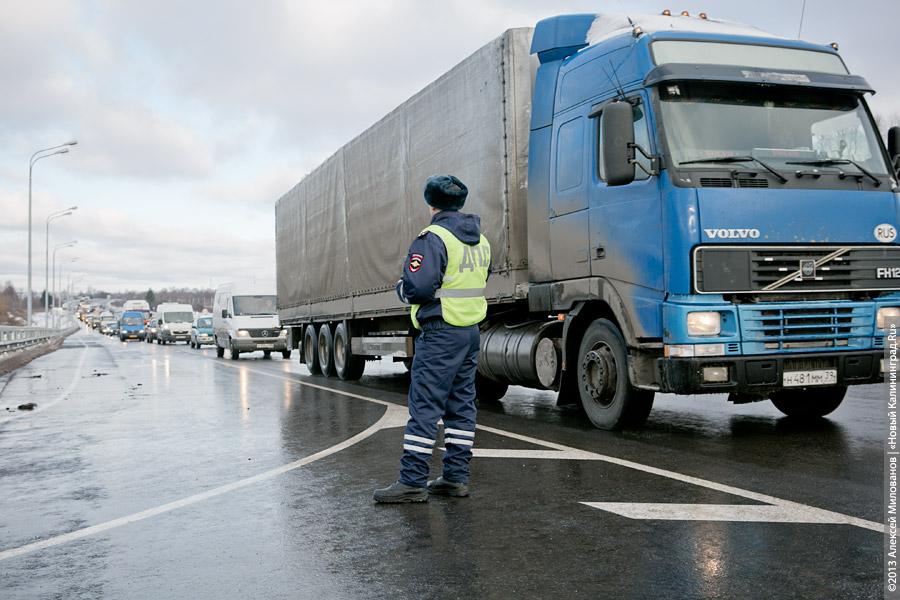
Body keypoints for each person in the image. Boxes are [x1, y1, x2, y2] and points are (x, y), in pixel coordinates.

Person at [373, 175, 491, 503]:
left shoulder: (432, 237)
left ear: (431, 203)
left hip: (440, 332)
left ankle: (412, 481)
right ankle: (455, 478)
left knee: (425, 406)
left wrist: (402, 287)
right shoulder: (481, 240)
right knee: (461, 406)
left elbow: (418, 287)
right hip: (469, 331)